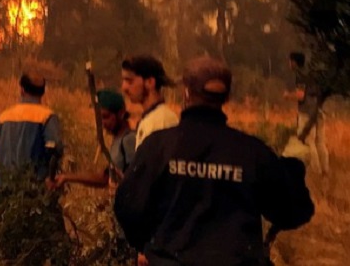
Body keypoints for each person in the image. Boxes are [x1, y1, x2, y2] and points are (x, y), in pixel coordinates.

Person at [114, 57, 315, 265]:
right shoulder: (252, 152)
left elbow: (127, 208)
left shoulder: (158, 146)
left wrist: (150, 245)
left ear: (186, 93)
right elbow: (293, 212)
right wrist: (293, 164)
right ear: (226, 97)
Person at [52, 89, 135, 190]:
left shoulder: (129, 140)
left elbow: (106, 179)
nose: (103, 123)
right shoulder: (119, 140)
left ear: (121, 114)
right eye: (100, 118)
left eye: (106, 117)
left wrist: (68, 177)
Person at [0, 73, 63, 186]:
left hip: (5, 186)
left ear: (22, 90)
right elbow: (55, 150)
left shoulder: (4, 116)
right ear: (43, 92)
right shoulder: (47, 116)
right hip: (34, 189)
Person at [285, 51, 329, 174]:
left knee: (309, 143)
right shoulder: (312, 74)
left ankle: (316, 172)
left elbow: (300, 95)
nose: (289, 63)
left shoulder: (300, 75)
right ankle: (325, 170)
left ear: (294, 62)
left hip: (307, 113)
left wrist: (288, 95)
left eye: (290, 61)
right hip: (319, 111)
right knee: (320, 142)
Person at [121, 55, 178, 149]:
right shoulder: (151, 119)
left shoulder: (161, 121)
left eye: (130, 81)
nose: (124, 88)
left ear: (150, 82)